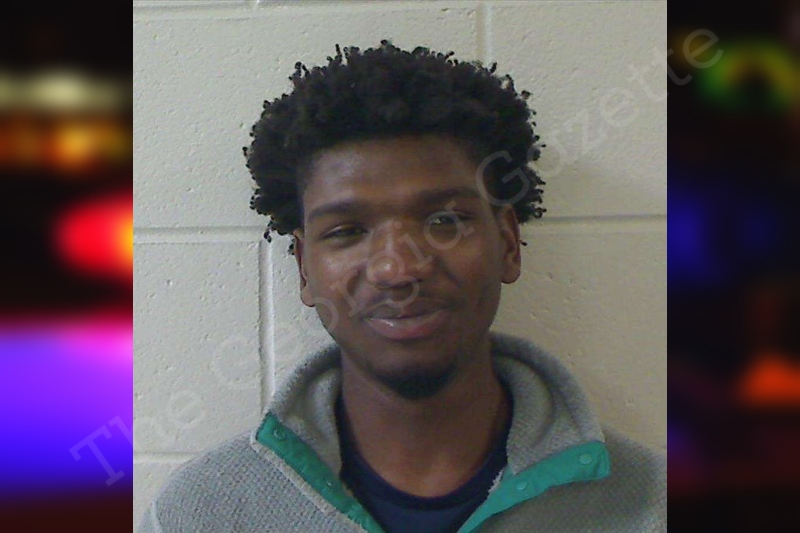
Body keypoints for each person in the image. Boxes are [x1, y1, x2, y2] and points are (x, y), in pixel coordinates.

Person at [138, 41, 665, 533]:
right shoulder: (201, 513)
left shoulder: (651, 505)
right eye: (347, 231)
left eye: (445, 221)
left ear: (508, 243)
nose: (397, 269)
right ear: (304, 269)